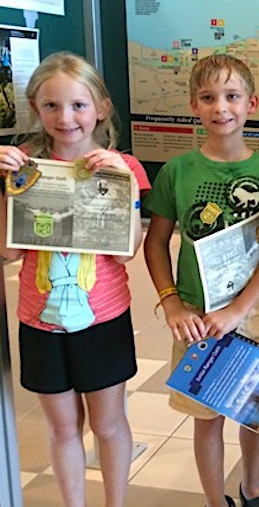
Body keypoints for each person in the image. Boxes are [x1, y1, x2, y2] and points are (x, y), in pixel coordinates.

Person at [144, 54, 259, 507]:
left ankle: (251, 487)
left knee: (253, 411)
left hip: (252, 311)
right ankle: (215, 500)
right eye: (208, 98)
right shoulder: (177, 172)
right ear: (194, 106)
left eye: (231, 96)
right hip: (196, 315)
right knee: (205, 417)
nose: (220, 107)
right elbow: (155, 243)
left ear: (251, 103)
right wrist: (171, 302)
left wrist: (238, 310)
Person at [0, 52, 150, 507]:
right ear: (35, 107)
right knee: (64, 428)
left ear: (101, 108)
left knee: (108, 424)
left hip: (103, 320)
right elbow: (8, 251)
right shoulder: (24, 167)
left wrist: (123, 187)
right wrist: (4, 188)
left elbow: (126, 252)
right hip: (40, 322)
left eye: (78, 105)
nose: (66, 118)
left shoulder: (123, 166)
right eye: (52, 106)